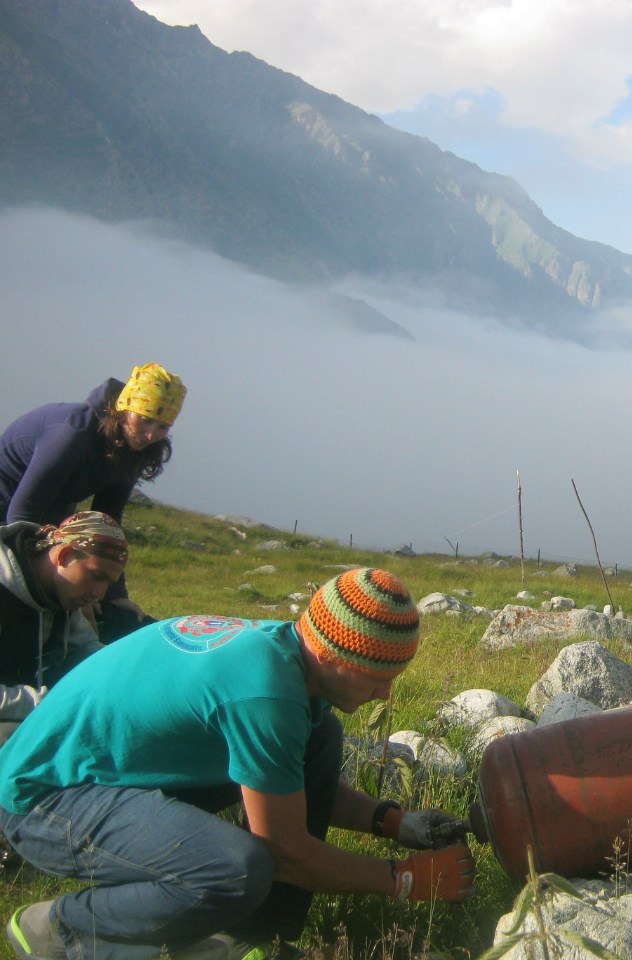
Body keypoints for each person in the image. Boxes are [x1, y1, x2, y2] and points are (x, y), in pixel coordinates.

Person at [1, 567, 475, 960]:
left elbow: (284, 781)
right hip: (42, 798)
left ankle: (252, 937)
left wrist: (393, 822)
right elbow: (284, 852)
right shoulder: (265, 692)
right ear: (331, 654)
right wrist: (405, 879)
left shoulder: (287, 654)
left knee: (321, 735)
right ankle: (60, 929)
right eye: (377, 678)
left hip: (106, 772)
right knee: (237, 868)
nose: (386, 694)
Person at [0, 362, 186, 641]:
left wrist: (115, 595)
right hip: (10, 502)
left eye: (162, 426)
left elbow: (107, 520)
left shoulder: (132, 446)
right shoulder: (72, 434)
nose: (151, 434)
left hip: (54, 507)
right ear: (125, 408)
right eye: (145, 419)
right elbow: (22, 513)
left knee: (82, 595)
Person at [0, 511, 128, 746]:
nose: (98, 594)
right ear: (64, 555)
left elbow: (87, 652)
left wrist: (125, 675)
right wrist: (51, 703)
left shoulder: (60, 593)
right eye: (96, 576)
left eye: (108, 583)